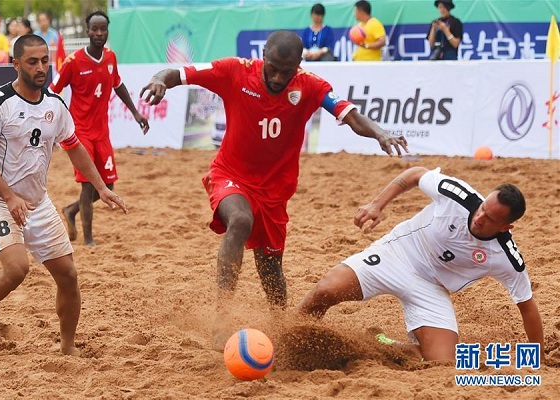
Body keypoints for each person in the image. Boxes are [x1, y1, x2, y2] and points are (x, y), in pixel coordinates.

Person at [140, 30, 408, 349]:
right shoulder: (235, 70)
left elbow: (350, 115)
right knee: (239, 220)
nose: (279, 77)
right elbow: (178, 73)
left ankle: (283, 327)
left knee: (271, 270)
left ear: (299, 63)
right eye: (274, 67)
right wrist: (159, 79)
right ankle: (222, 316)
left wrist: (380, 134)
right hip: (230, 175)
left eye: (288, 70)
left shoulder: (310, 85)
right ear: (263, 55)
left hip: (275, 193)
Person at [0, 34, 128, 355]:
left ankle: (68, 348)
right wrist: (11, 198)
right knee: (17, 269)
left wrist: (100, 187)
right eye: (32, 62)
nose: (41, 67)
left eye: (45, 60)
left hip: (38, 203)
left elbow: (74, 147)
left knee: (69, 275)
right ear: (16, 65)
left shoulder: (55, 105)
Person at [297, 166, 545, 362]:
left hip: (432, 287)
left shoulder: (506, 256)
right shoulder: (458, 195)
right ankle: (291, 338)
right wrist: (377, 204)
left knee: (441, 363)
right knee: (326, 290)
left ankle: (379, 342)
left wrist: (540, 357)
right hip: (398, 253)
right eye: (482, 208)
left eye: (489, 218)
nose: (479, 217)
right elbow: (416, 174)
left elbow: (527, 307)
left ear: (506, 227)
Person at [50, 11, 149, 246]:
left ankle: (72, 211)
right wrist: (52, 123)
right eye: (94, 29)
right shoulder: (73, 62)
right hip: (80, 133)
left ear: (107, 31)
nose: (98, 33)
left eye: (102, 29)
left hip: (102, 132)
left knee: (108, 185)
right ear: (87, 31)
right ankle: (89, 239)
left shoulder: (111, 57)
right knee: (88, 186)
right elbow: (53, 91)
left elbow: (118, 84)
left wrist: (136, 113)